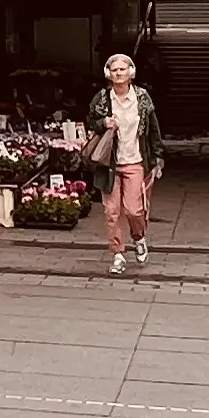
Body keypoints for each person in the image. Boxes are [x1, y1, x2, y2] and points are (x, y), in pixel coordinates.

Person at [88, 51, 164, 276]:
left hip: (135, 161)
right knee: (111, 212)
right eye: (114, 70)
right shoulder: (102, 98)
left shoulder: (142, 98)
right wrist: (103, 122)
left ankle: (139, 238)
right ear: (108, 74)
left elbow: (153, 129)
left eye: (123, 69)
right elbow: (90, 120)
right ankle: (117, 254)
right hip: (109, 163)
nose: (118, 73)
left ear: (131, 73)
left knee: (134, 209)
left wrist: (158, 156)